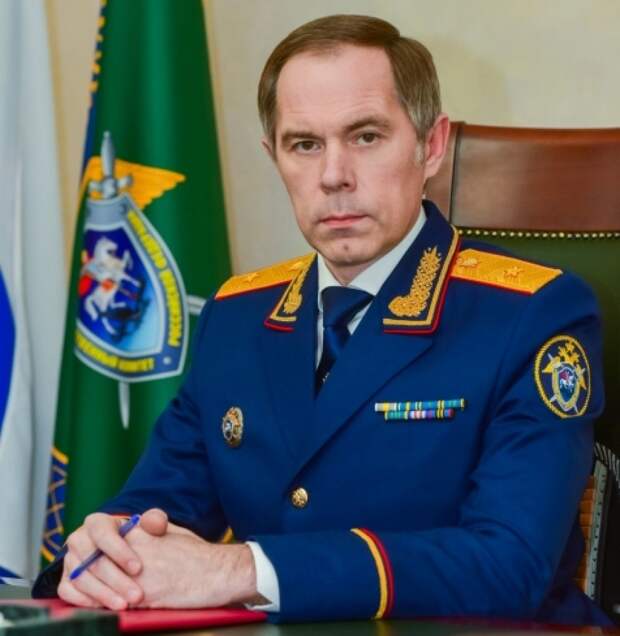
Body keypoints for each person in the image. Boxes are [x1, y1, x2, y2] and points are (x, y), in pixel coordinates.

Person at [33, 14, 610, 625]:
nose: (333, 176)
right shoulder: (238, 317)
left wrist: (242, 570)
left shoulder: (531, 314)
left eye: (366, 136)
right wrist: (105, 552)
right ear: (274, 156)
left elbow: (509, 563)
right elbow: (156, 509)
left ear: (431, 145)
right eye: (304, 145)